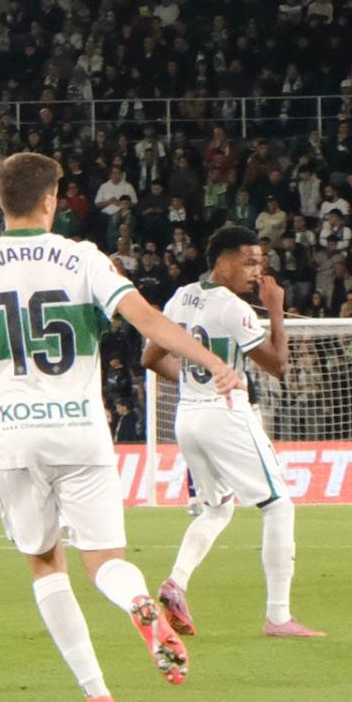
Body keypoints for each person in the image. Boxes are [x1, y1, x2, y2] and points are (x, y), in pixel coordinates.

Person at [0, 151, 242, 702]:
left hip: (16, 437)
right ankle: (136, 601)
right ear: (52, 200)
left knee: (46, 564)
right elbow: (149, 321)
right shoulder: (83, 257)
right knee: (105, 562)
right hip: (81, 430)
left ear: (1, 202)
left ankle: (98, 697)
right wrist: (211, 362)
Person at [143, 226, 320, 641]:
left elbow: (151, 357)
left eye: (261, 263)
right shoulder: (234, 308)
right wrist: (275, 309)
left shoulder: (181, 296)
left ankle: (176, 584)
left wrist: (193, 382)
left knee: (217, 508)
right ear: (222, 261)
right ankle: (278, 617)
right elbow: (277, 365)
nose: (258, 272)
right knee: (278, 506)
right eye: (250, 262)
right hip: (225, 416)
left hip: (188, 416)